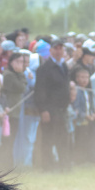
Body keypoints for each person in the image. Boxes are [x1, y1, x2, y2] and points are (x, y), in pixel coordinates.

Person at [33, 40, 71, 170]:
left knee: (63, 138)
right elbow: (40, 90)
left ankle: (64, 166)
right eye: (56, 48)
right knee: (48, 139)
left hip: (62, 109)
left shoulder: (64, 66)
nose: (58, 51)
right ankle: (47, 167)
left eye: (61, 48)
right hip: (50, 109)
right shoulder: (44, 68)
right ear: (51, 51)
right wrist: (43, 110)